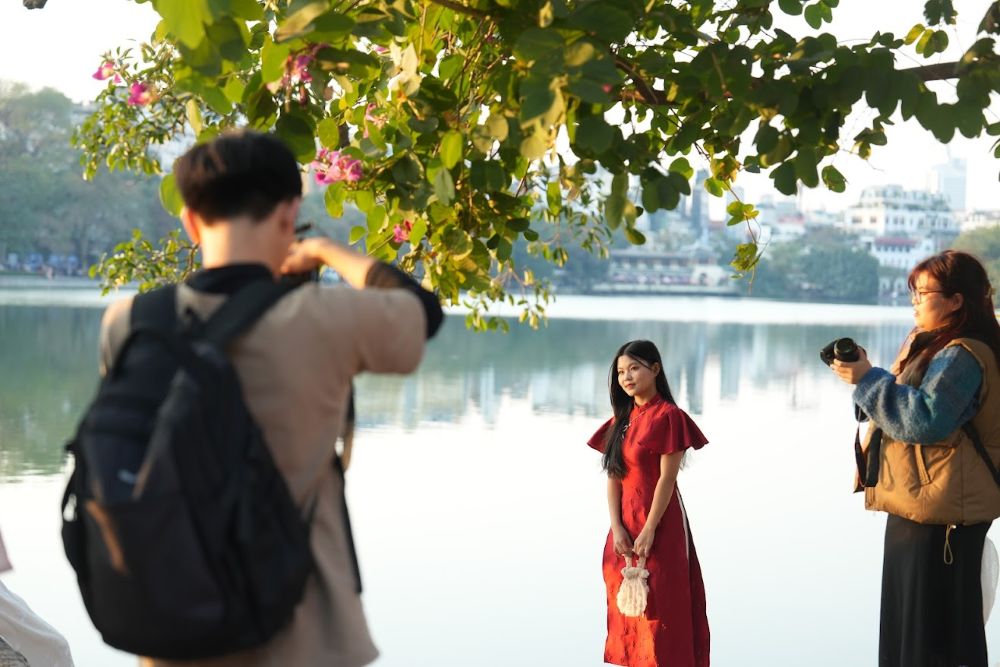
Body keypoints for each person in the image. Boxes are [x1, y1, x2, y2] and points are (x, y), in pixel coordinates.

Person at [95, 130, 443, 666]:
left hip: (176, 621)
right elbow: (422, 311)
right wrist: (325, 251)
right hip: (303, 630)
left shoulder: (130, 323)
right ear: (289, 213)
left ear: (189, 221)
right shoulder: (328, 320)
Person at [831, 250, 1000, 667]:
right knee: (914, 636)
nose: (914, 302)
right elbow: (906, 406)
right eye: (913, 293)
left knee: (930, 641)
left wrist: (868, 379)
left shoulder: (963, 354)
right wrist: (867, 377)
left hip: (942, 519)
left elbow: (925, 420)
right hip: (923, 506)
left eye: (922, 293)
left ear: (957, 300)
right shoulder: (938, 346)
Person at [586, 340, 710, 667]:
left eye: (634, 369)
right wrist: (617, 527)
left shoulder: (670, 417)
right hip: (623, 526)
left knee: (662, 609)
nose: (627, 377)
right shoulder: (620, 423)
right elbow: (613, 478)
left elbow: (666, 480)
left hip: (661, 523)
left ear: (655, 369)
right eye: (621, 372)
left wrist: (650, 529)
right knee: (626, 611)